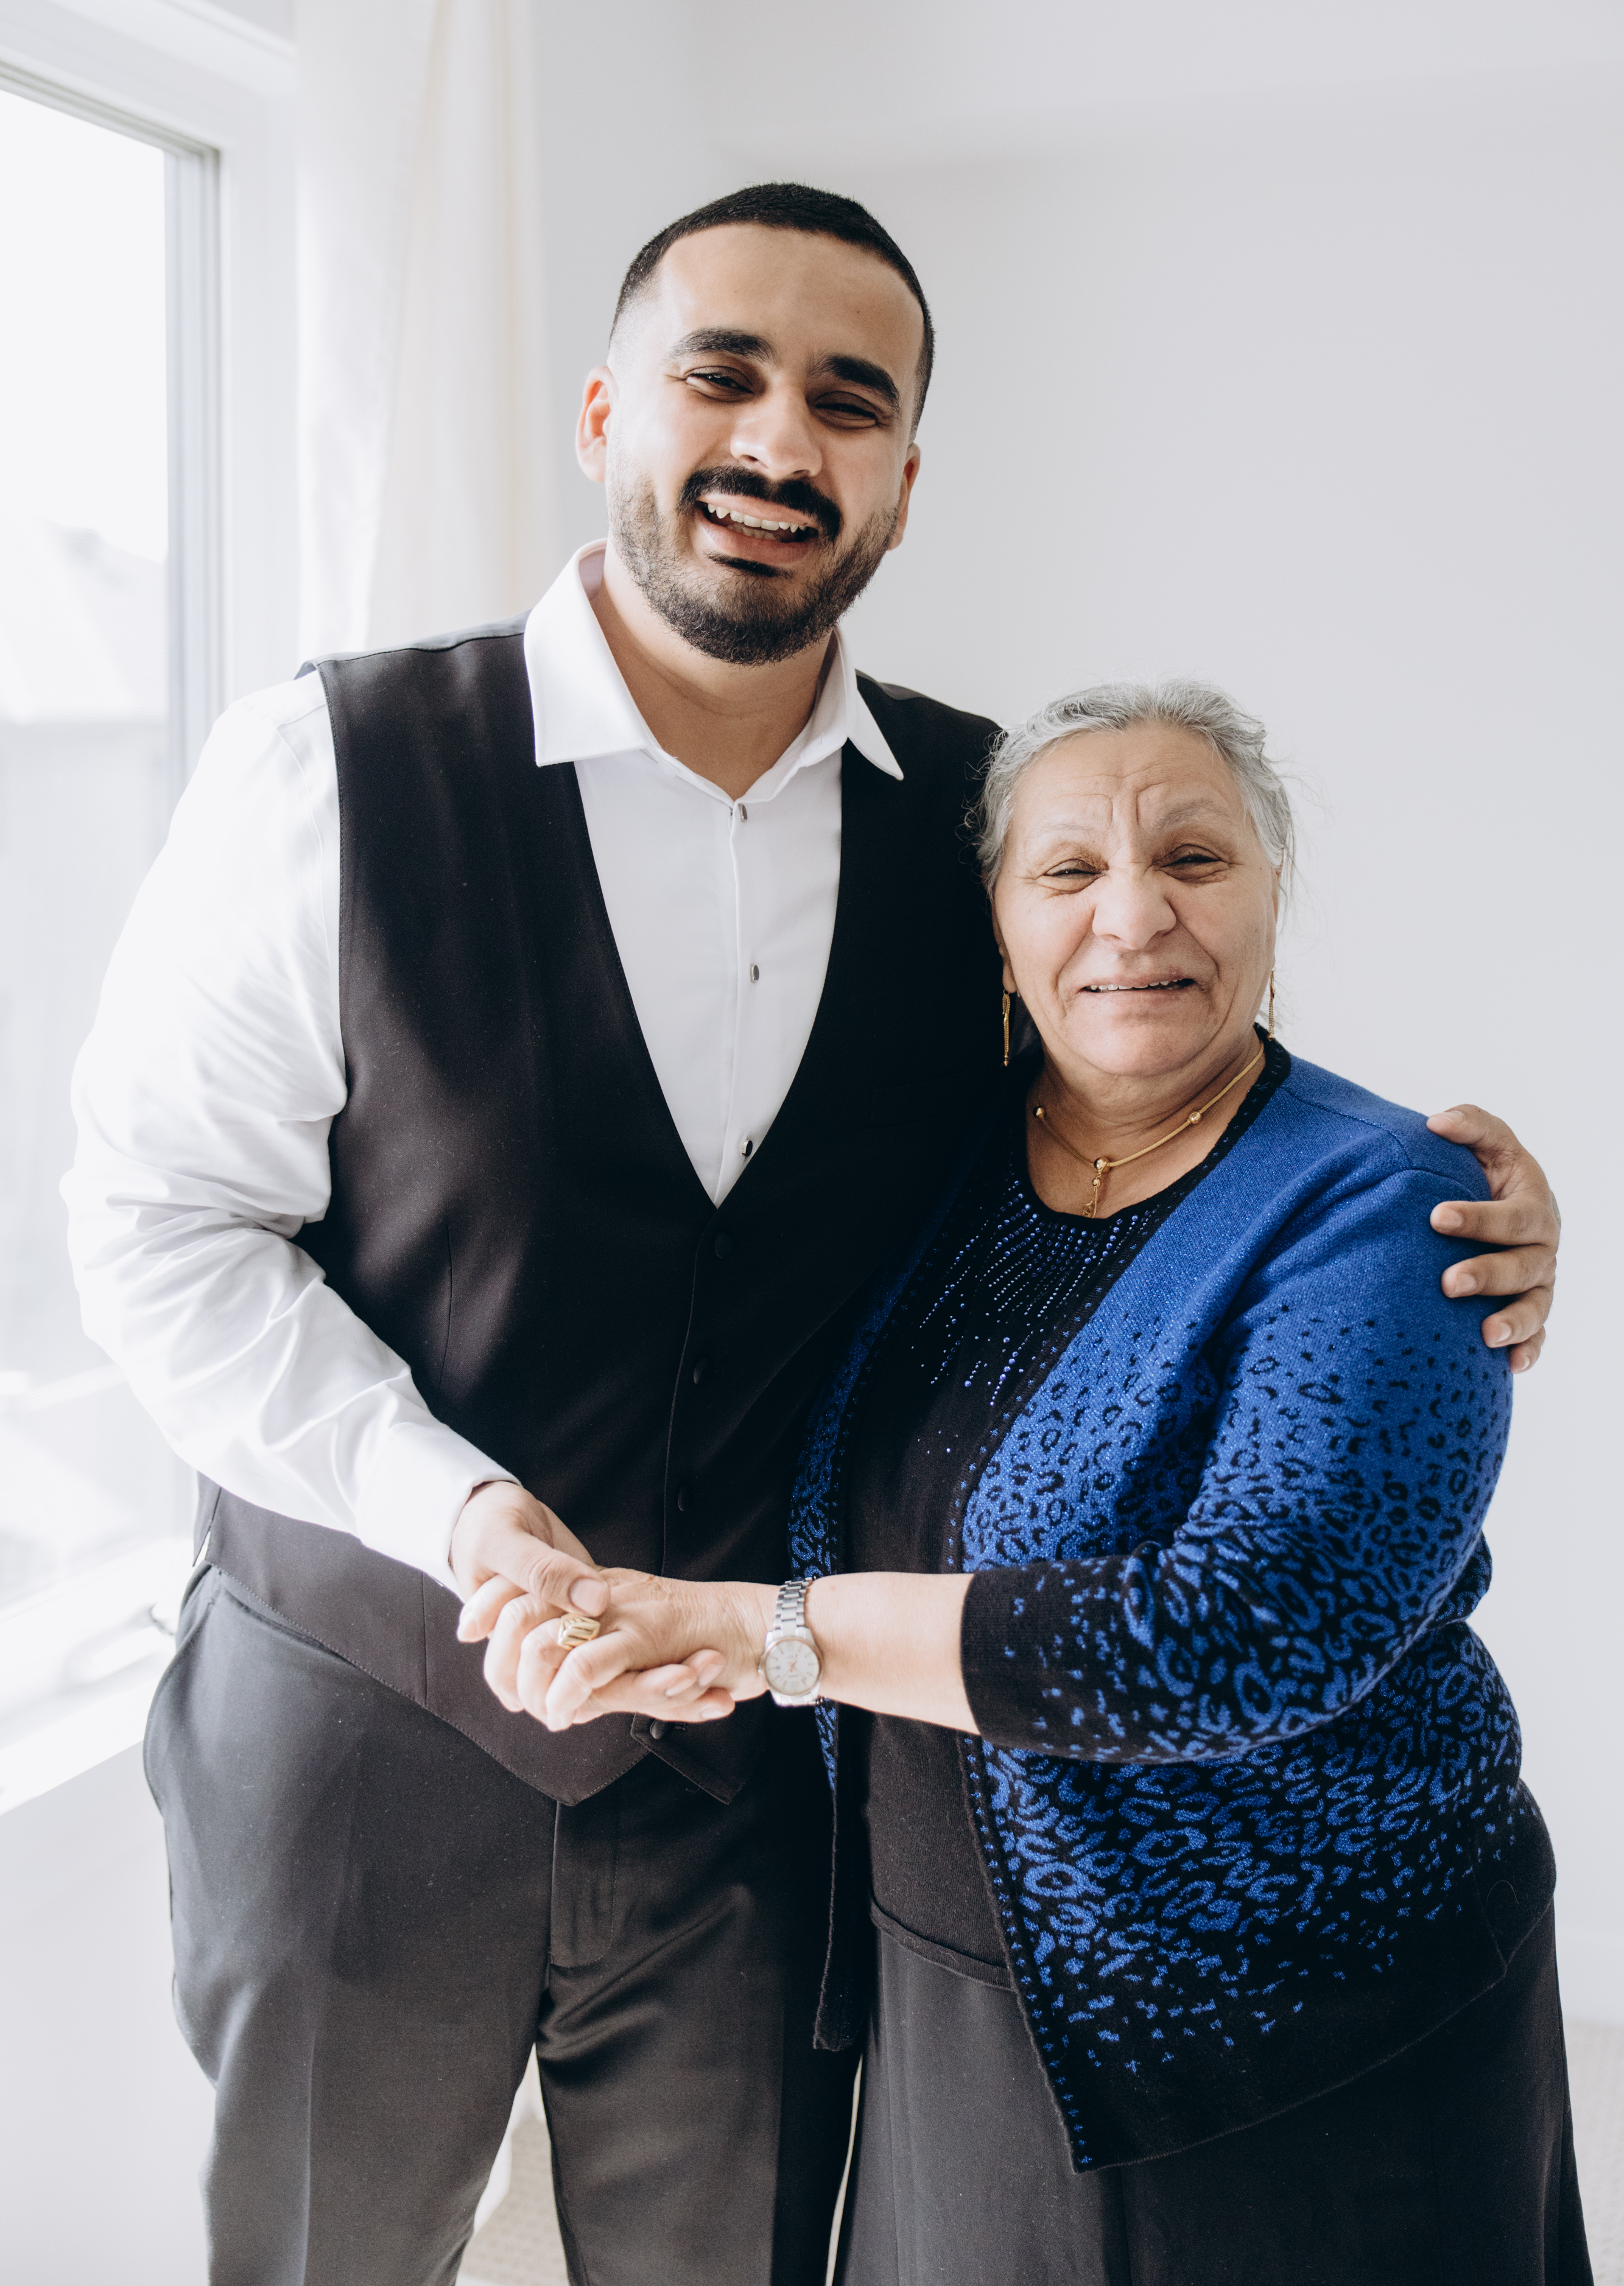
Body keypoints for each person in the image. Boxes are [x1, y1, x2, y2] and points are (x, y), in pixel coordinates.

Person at [63, 185, 1560, 2286]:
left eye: (847, 402)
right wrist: (453, 1509)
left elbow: (1135, 1097)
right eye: (722, 375)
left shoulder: (973, 819)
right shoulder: (329, 762)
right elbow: (160, 1229)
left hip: (762, 1799)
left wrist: (1435, 1195)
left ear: (903, 481)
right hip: (360, 1737)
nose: (780, 440)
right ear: (606, 411)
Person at [527, 682, 1589, 2286]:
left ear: (1273, 890)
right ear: (1000, 922)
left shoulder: (1391, 1207)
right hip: (949, 1995)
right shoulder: (928, 1155)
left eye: (1193, 859)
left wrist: (768, 1633)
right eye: (1069, 870)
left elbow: (1253, 1630)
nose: (1133, 916)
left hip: (1290, 2027)